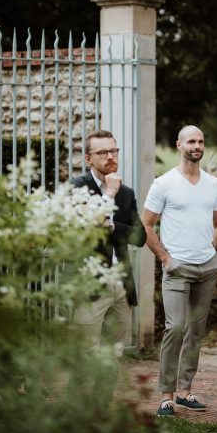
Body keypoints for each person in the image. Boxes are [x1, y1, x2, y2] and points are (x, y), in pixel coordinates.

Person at [142, 125, 217, 417]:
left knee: (195, 331)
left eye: (201, 141)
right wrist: (166, 257)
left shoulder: (213, 184)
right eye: (191, 140)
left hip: (207, 267)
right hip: (178, 268)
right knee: (175, 327)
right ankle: (166, 396)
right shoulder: (164, 183)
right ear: (179, 144)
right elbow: (146, 224)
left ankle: (185, 392)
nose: (197, 145)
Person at [71, 129, 146, 353]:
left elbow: (140, 237)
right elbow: (86, 230)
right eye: (102, 152)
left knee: (115, 354)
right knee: (85, 353)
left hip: (122, 284)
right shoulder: (77, 188)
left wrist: (112, 226)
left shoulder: (126, 192)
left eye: (113, 150)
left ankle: (107, 391)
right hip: (90, 285)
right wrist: (109, 195)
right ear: (88, 158)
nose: (110, 157)